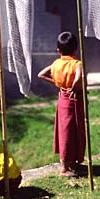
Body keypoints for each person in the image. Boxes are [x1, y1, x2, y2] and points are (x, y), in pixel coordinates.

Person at [37, 31, 85, 177]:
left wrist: (59, 84)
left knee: (66, 130)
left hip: (63, 98)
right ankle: (65, 167)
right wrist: (73, 87)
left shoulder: (56, 64)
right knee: (74, 129)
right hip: (74, 98)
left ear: (58, 50)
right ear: (76, 48)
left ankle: (71, 162)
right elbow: (78, 78)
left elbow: (41, 74)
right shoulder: (77, 64)